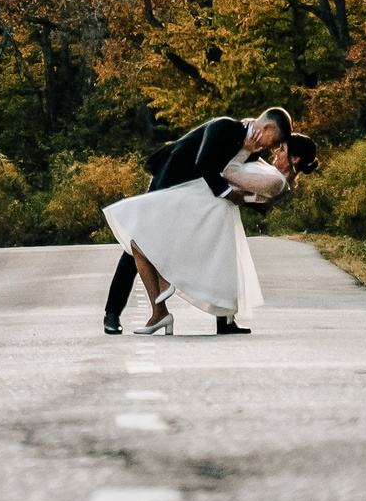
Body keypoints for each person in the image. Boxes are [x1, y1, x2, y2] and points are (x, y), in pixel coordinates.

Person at [100, 108, 294, 336]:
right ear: (267, 127)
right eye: (274, 142)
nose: (270, 148)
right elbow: (204, 163)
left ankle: (225, 320)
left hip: (197, 195)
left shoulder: (250, 149)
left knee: (223, 247)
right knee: (140, 240)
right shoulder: (225, 126)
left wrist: (260, 197)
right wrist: (229, 193)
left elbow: (241, 178)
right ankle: (112, 314)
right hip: (171, 179)